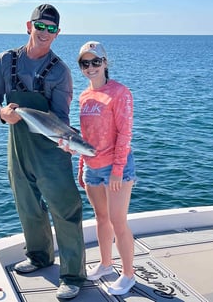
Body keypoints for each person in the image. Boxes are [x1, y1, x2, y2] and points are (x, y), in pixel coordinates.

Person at [0, 4, 86, 299]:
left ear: (58, 34)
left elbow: (61, 118)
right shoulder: (6, 61)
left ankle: (73, 275)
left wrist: (68, 142)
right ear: (28, 26)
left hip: (52, 151)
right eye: (40, 26)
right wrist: (2, 113)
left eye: (51, 29)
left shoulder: (60, 72)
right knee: (27, 206)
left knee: (65, 211)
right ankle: (40, 257)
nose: (45, 32)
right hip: (17, 146)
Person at [77, 41, 136, 295]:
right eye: (85, 63)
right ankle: (105, 264)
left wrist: (117, 170)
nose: (91, 67)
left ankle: (128, 274)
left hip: (115, 167)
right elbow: (85, 136)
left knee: (118, 221)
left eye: (95, 62)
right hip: (92, 166)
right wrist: (81, 164)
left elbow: (125, 133)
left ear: (105, 63)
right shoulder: (84, 96)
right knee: (101, 218)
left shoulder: (120, 92)